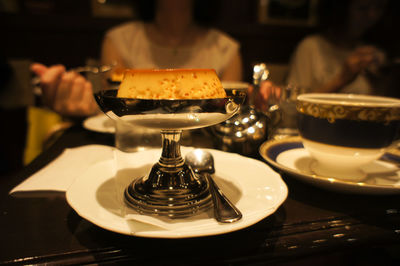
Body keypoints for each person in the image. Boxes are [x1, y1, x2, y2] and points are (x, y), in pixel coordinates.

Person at [30, 0, 243, 118]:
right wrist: (78, 106)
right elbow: (116, 111)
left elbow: (228, 115)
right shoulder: (119, 40)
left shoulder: (226, 49)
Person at [286, 0, 388, 95]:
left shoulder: (376, 52)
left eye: (379, 8)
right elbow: (294, 104)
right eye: (363, 8)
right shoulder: (311, 47)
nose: (372, 15)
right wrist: (342, 79)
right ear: (341, 9)